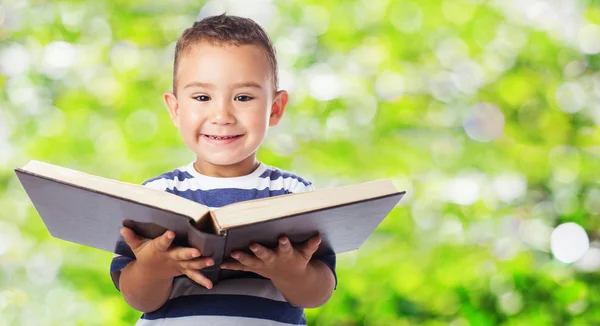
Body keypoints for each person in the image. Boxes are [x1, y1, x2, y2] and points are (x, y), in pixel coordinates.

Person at [109, 13, 337, 325]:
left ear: (275, 108)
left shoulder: (293, 194)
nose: (222, 115)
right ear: (175, 109)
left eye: (243, 97)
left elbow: (318, 294)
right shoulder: (157, 195)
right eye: (202, 96)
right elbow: (138, 299)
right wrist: (153, 269)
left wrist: (291, 272)